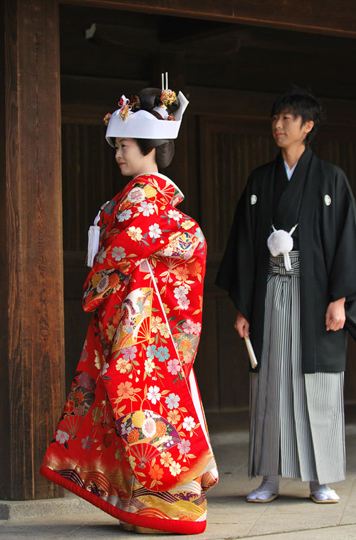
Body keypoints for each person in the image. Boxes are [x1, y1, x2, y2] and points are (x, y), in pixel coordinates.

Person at [40, 79, 218, 534]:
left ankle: (171, 506)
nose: (118, 153)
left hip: (143, 323)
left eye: (124, 145)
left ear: (150, 146)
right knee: (141, 410)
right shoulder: (150, 199)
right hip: (147, 322)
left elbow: (119, 250)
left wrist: (99, 281)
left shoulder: (142, 199)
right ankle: (144, 505)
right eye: (116, 145)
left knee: (141, 410)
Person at [216, 86, 356, 504]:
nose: (278, 125)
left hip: (317, 297)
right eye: (276, 118)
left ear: (307, 127)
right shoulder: (260, 180)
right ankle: (269, 479)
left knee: (319, 385)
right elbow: (243, 242)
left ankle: (321, 479)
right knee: (271, 383)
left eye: (287, 119)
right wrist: (243, 306)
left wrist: (341, 299)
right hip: (270, 293)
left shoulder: (332, 179)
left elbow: (346, 240)